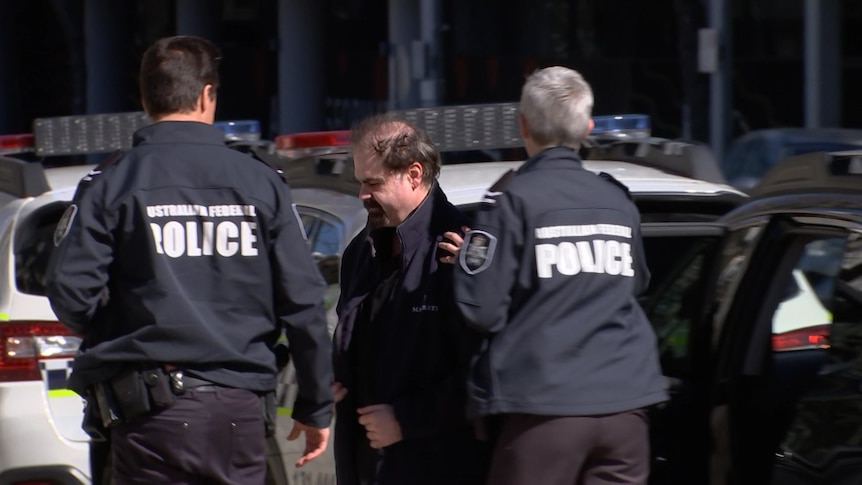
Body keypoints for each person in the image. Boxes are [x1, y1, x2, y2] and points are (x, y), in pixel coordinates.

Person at [44, 35, 333, 484]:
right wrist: (315, 405)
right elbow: (303, 304)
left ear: (145, 98)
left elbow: (70, 293)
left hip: (148, 413)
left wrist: (128, 325)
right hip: (238, 410)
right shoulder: (261, 182)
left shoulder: (111, 182)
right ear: (206, 95)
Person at [449, 65, 669, 485]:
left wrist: (466, 263)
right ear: (587, 127)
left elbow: (481, 309)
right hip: (627, 408)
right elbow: (636, 283)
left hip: (545, 409)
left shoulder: (510, 201)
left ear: (523, 126)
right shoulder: (616, 201)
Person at [331, 113, 490, 485]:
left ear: (414, 174)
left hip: (438, 464)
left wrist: (407, 418)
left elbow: (483, 371)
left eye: (373, 183)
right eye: (360, 183)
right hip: (367, 465)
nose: (362, 195)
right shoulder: (362, 252)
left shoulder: (460, 252)